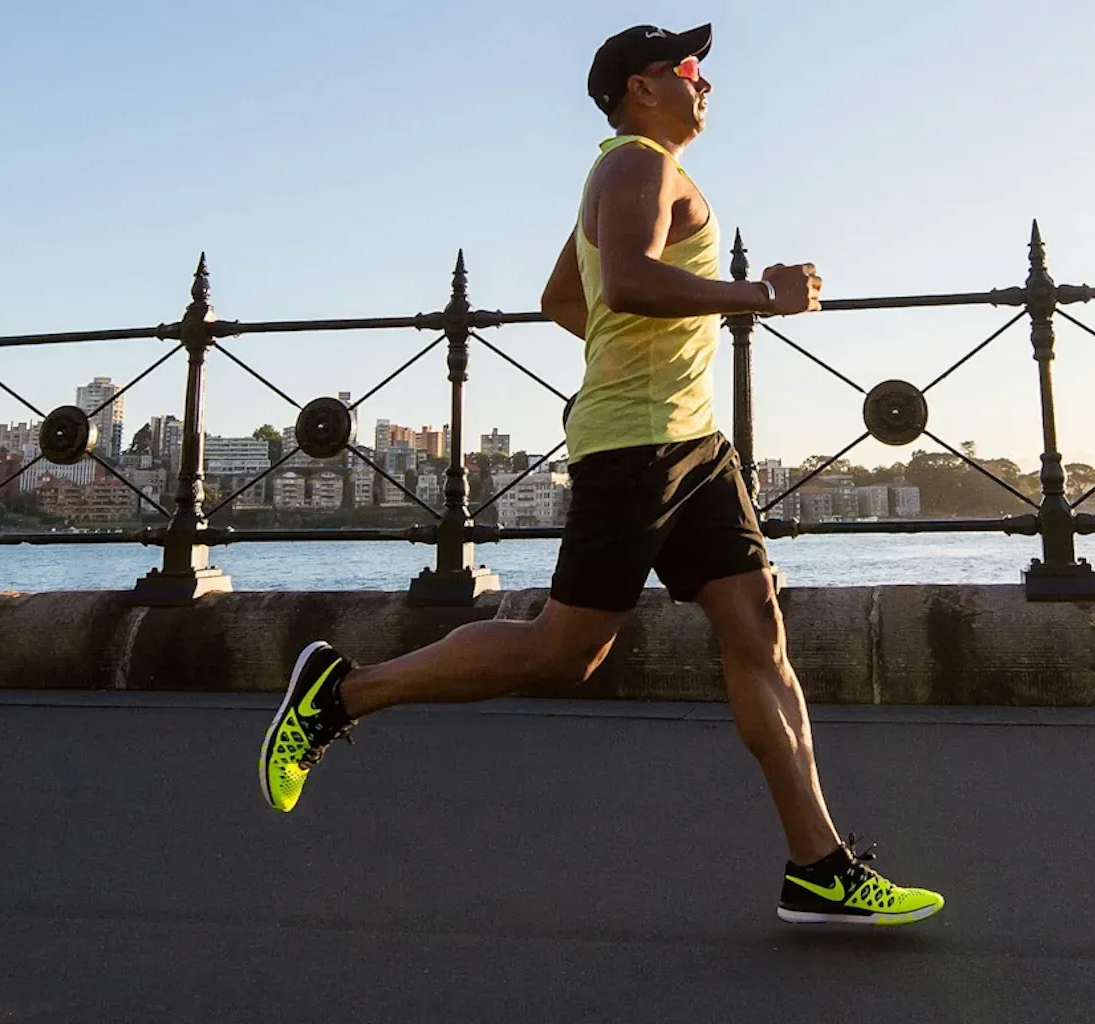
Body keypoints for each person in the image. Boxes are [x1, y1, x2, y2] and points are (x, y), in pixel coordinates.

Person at [257, 23, 944, 927]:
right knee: (563, 651)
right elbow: (622, 283)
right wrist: (758, 296)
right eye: (687, 68)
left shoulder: (643, 170)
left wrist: (640, 361)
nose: (705, 83)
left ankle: (820, 865)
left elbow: (563, 299)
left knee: (758, 628)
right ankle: (339, 693)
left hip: (695, 444)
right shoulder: (636, 167)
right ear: (637, 86)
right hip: (639, 449)